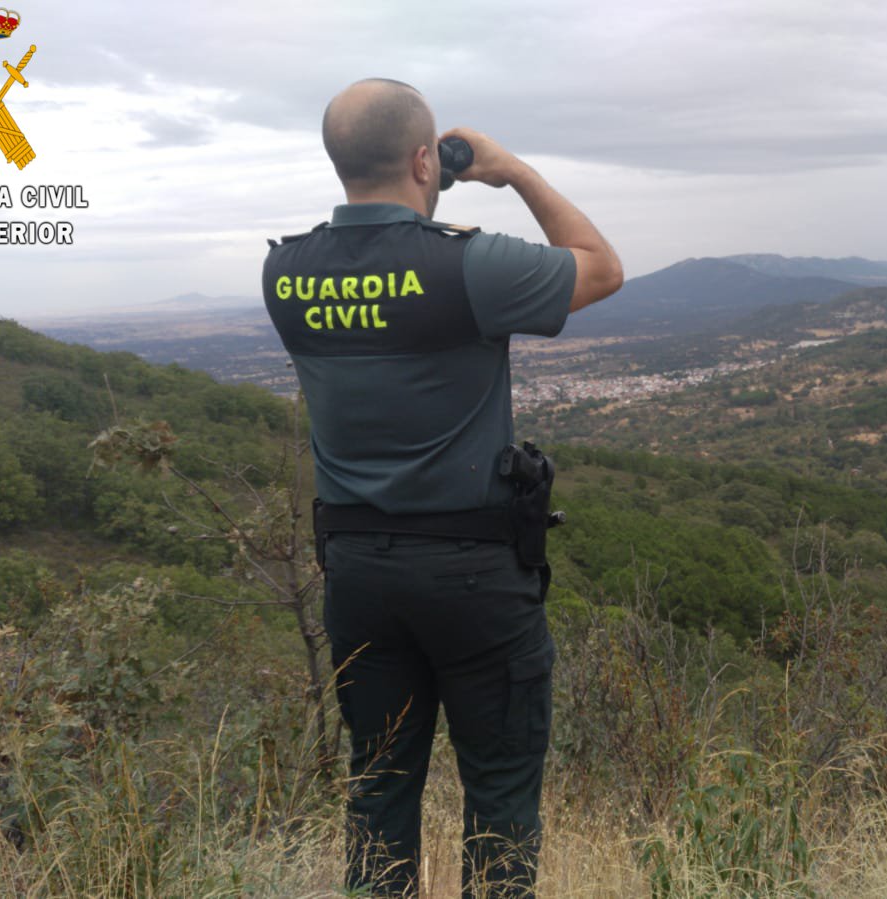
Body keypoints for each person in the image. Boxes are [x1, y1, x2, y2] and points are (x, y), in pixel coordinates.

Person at [261, 78, 623, 897]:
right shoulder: (466, 265)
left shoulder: (284, 271)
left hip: (357, 577)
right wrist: (515, 172)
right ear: (428, 160)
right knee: (498, 792)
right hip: (473, 578)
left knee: (379, 788)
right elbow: (601, 269)